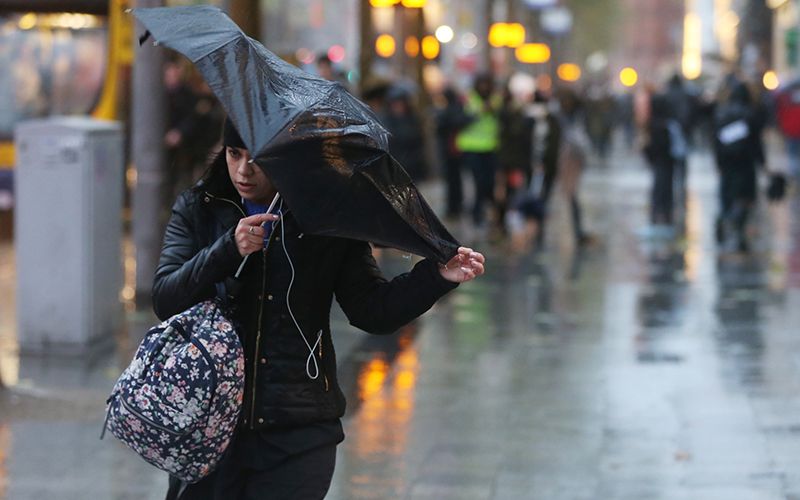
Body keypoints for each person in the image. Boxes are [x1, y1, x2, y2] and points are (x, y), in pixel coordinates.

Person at [154, 121, 485, 499]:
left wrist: (436, 277)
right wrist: (228, 248)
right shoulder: (200, 207)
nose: (244, 170)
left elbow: (371, 311)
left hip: (298, 426)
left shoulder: (326, 218)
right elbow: (166, 298)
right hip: (208, 423)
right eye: (234, 154)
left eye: (258, 158)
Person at [712, 82, 765, 252]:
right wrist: (762, 163)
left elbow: (716, 141)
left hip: (727, 162)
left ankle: (726, 215)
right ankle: (738, 222)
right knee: (745, 196)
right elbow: (756, 143)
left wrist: (718, 162)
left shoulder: (721, 113)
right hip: (745, 162)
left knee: (727, 192)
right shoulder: (750, 114)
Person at [456, 72, 501, 232]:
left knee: (489, 183)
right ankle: (477, 213)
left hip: (491, 147)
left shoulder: (496, 100)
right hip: (471, 147)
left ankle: (483, 211)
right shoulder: (468, 99)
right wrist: (478, 112)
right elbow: (458, 120)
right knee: (478, 182)